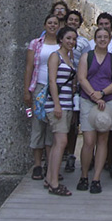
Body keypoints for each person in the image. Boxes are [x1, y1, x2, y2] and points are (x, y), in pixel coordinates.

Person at [77, 27, 112, 194]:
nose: (103, 40)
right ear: (95, 39)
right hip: (88, 100)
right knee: (89, 141)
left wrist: (102, 94)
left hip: (108, 101)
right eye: (99, 37)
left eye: (105, 37)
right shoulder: (86, 57)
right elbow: (81, 78)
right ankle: (84, 175)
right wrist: (94, 96)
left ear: (109, 39)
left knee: (103, 140)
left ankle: (96, 178)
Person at [23, 14, 60, 180]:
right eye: (50, 23)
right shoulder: (35, 43)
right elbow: (29, 67)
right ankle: (37, 165)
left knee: (53, 128)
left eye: (55, 23)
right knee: (38, 125)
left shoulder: (62, 44)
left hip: (56, 90)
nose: (52, 25)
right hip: (39, 87)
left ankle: (50, 166)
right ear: (45, 25)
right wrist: (26, 90)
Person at [44, 27, 78, 196]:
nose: (71, 41)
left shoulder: (69, 58)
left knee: (58, 143)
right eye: (68, 38)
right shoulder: (55, 56)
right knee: (61, 142)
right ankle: (54, 182)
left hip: (66, 105)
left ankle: (50, 178)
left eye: (73, 39)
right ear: (61, 39)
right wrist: (56, 104)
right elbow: (51, 80)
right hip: (57, 105)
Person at [63, 10, 89, 173]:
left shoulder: (84, 43)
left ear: (80, 24)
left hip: (78, 87)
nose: (73, 22)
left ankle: (70, 155)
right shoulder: (60, 40)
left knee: (74, 123)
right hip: (60, 85)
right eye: (70, 19)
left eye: (76, 20)